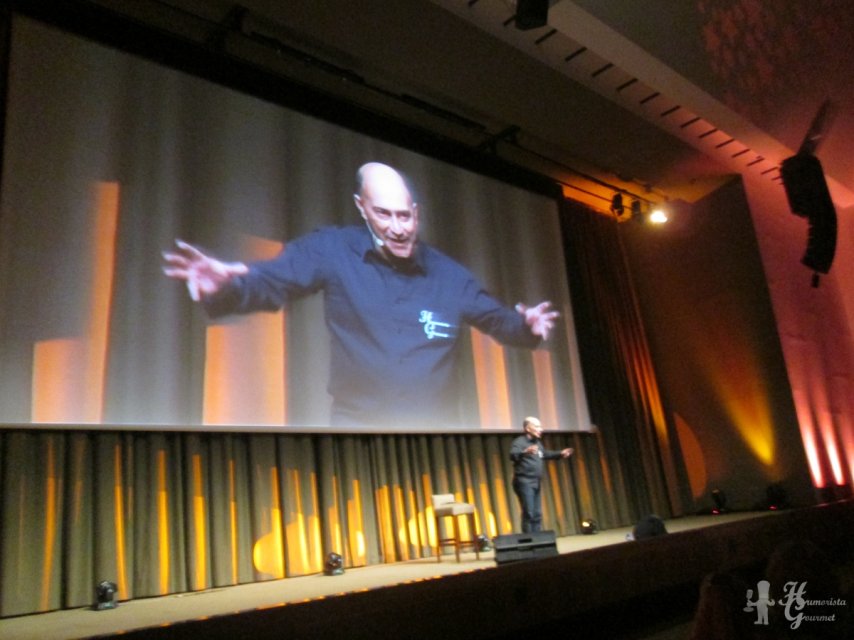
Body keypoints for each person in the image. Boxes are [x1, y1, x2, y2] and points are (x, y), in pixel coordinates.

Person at [162, 162, 559, 427]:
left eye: (404, 216)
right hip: (359, 432)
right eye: (384, 214)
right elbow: (275, 280)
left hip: (436, 433)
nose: (397, 228)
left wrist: (527, 327)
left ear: (416, 213)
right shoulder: (332, 250)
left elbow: (499, 320)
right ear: (362, 208)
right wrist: (227, 287)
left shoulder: (450, 276)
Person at [509, 416, 573, 532]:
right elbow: (513, 455)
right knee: (529, 512)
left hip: (535, 482)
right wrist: (525, 452)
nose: (541, 429)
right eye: (537, 426)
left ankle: (537, 539)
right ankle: (529, 540)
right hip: (524, 482)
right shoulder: (519, 442)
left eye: (541, 426)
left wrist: (560, 453)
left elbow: (544, 454)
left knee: (537, 513)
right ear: (528, 428)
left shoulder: (537, 443)